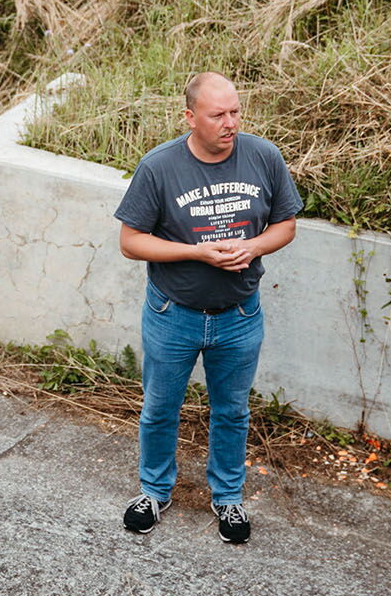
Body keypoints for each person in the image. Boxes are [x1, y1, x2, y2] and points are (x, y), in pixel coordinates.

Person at [114, 73, 302, 544]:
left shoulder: (263, 156)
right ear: (190, 117)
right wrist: (197, 252)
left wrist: (253, 246)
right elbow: (131, 242)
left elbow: (286, 225)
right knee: (159, 408)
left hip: (239, 315)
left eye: (235, 111)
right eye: (218, 114)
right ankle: (154, 492)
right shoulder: (159, 167)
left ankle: (228, 499)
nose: (230, 122)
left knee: (232, 411)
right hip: (171, 314)